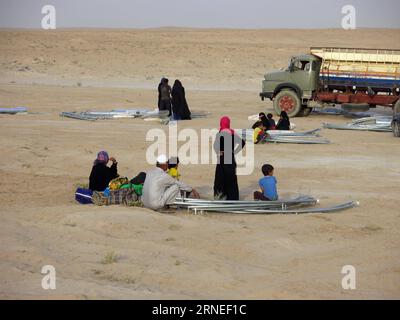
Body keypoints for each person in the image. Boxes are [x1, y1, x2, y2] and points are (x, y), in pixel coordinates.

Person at [213, 116, 246, 200]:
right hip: (230, 158)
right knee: (231, 178)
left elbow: (215, 146)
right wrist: (234, 151)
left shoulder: (220, 133)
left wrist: (218, 151)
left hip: (222, 158)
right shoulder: (232, 133)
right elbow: (242, 142)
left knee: (220, 178)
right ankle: (232, 198)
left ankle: (220, 197)